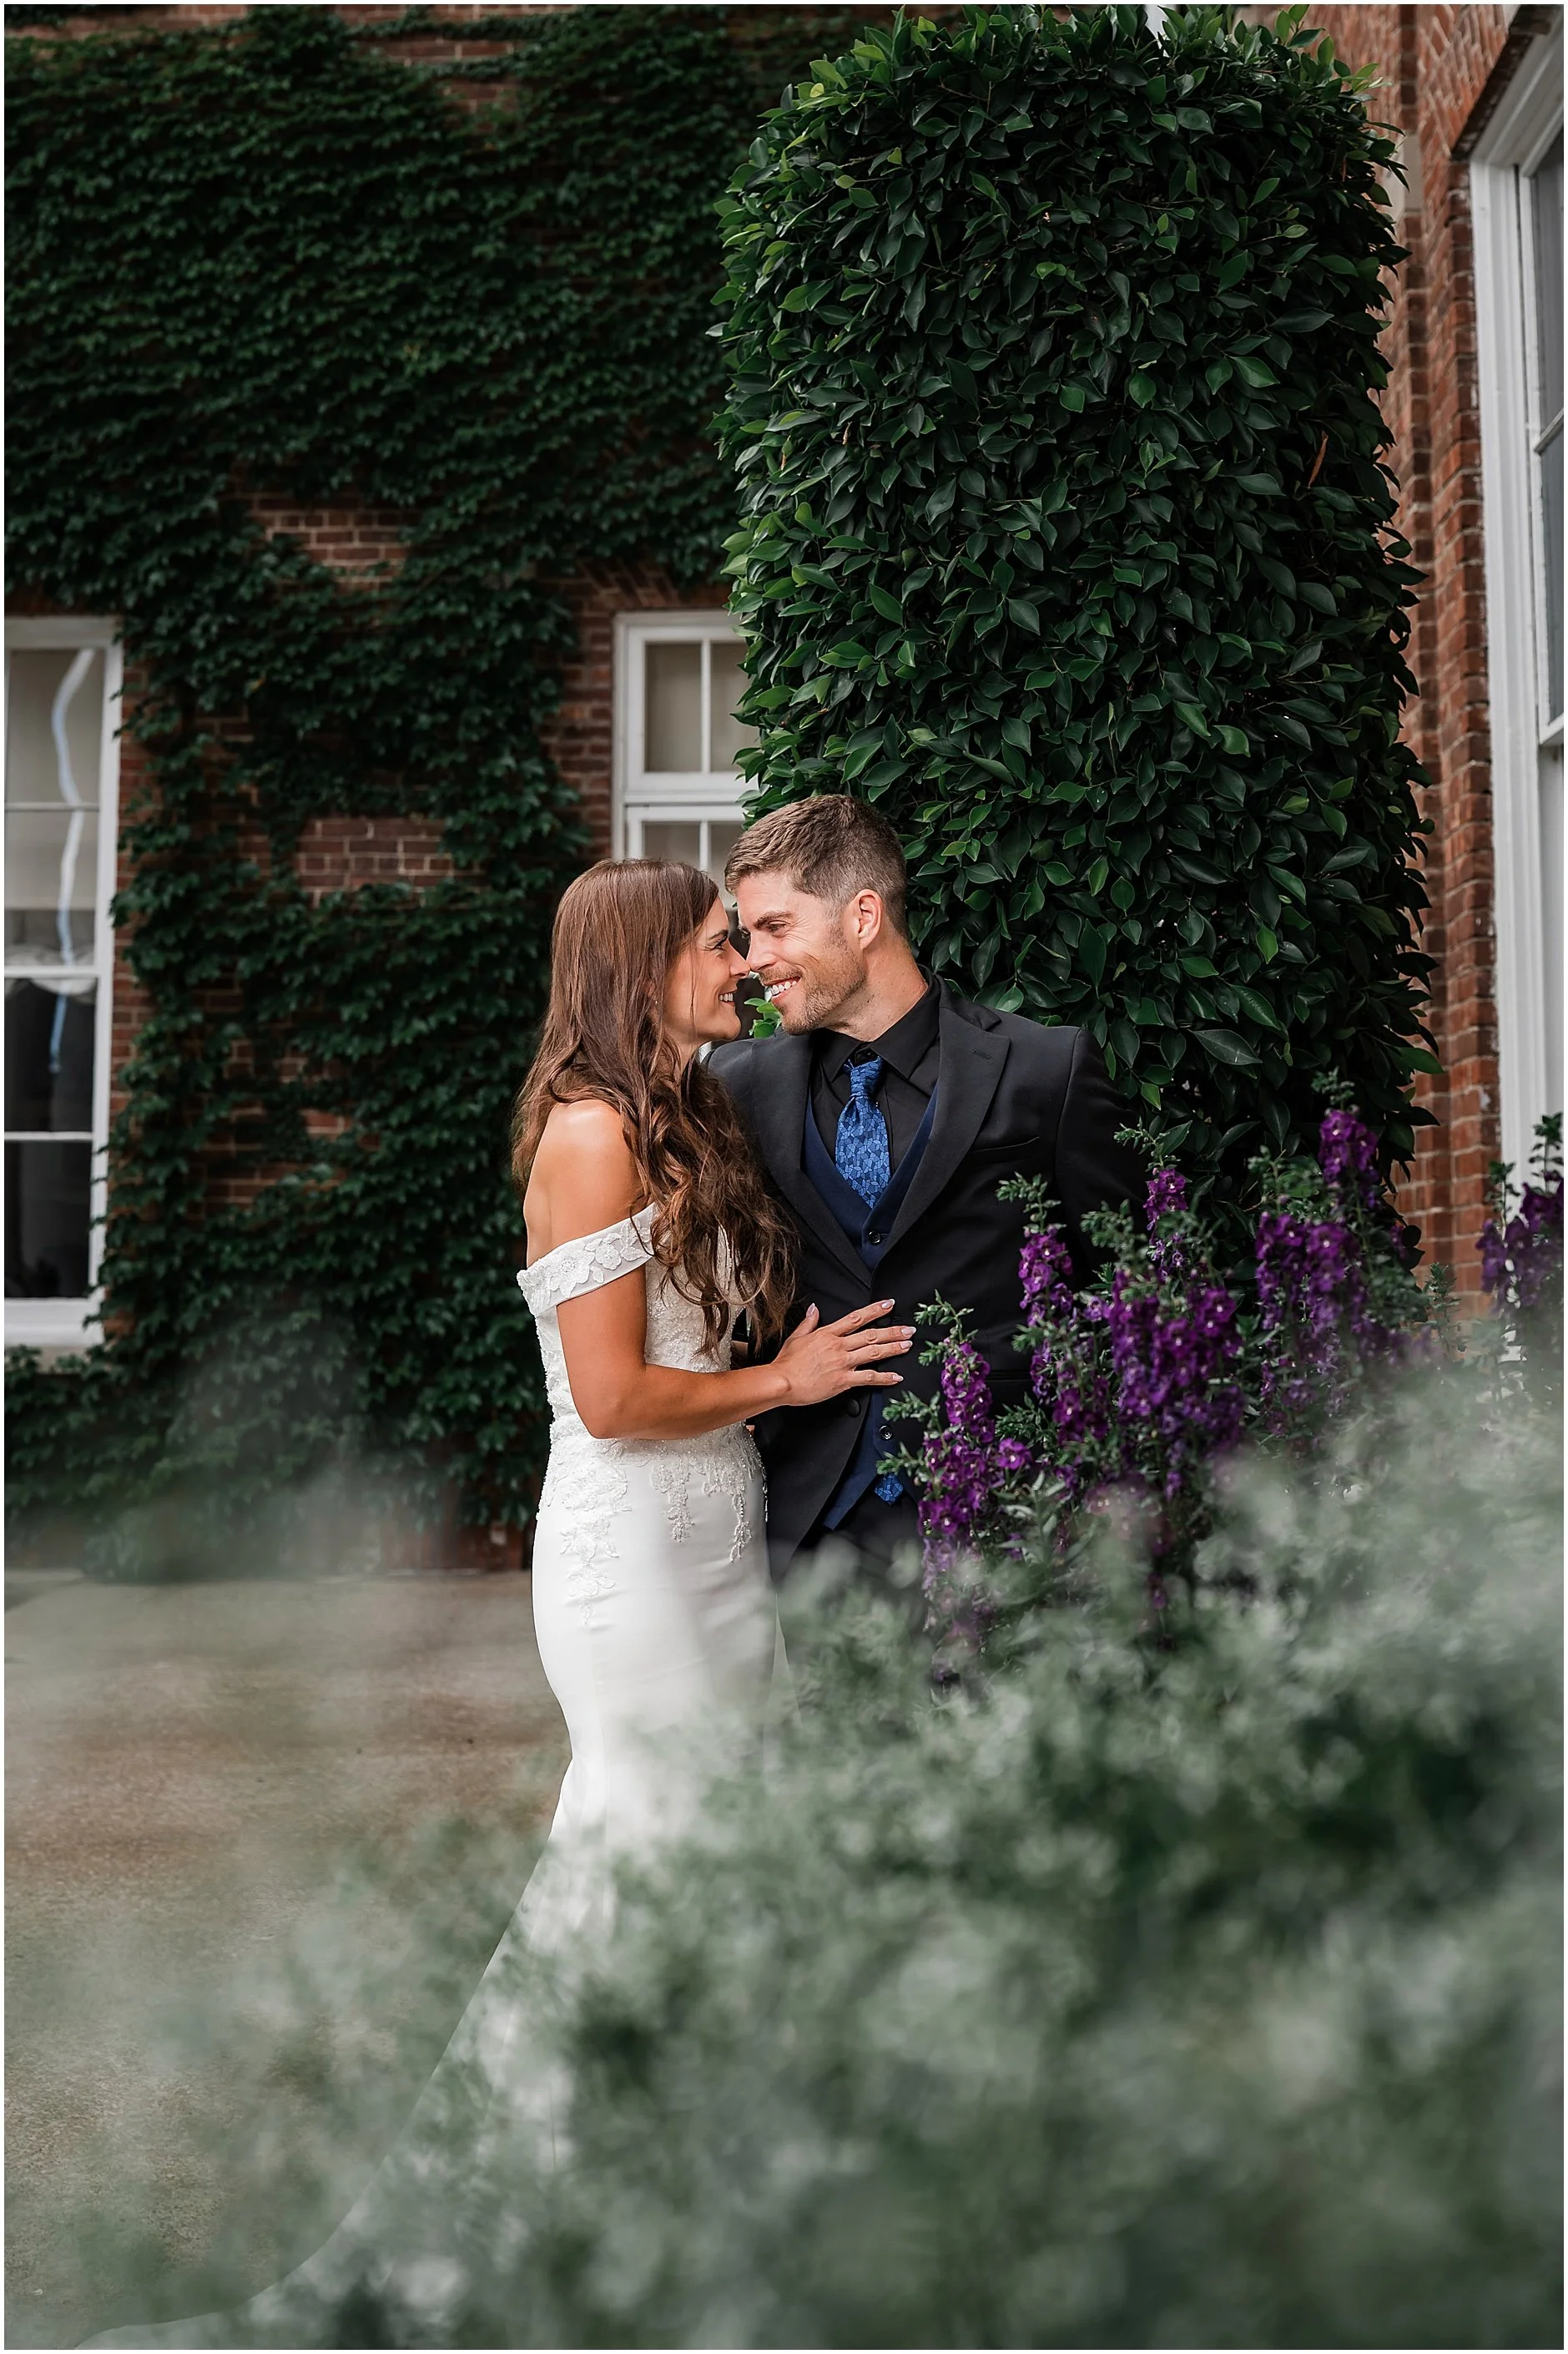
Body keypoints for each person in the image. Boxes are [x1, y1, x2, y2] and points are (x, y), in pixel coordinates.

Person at [86, 859, 912, 2350]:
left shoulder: (691, 1117)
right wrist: (781, 1382)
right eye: (713, 941)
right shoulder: (589, 1136)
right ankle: (537, 2220)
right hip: (631, 1564)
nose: (737, 961)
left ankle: (682, 2200)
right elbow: (609, 1399)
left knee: (709, 1869)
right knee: (641, 1863)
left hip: (718, 1553)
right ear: (639, 965)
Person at [709, 796, 1146, 1588]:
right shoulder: (735, 1086)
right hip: (815, 1530)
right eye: (746, 934)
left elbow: (1131, 1288)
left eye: (774, 927)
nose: (751, 958)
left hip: (1014, 1521)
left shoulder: (1045, 1070)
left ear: (863, 916)